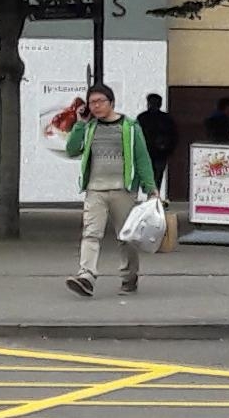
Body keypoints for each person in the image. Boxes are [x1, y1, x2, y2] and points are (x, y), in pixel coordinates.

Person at [50, 83, 156, 298]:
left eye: (100, 101)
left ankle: (129, 277)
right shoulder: (89, 127)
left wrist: (151, 189)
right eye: (92, 103)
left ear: (112, 103)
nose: (96, 106)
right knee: (90, 233)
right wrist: (79, 124)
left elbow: (142, 158)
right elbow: (71, 150)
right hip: (94, 190)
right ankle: (86, 276)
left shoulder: (130, 126)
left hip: (123, 190)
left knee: (126, 237)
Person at [135, 91, 183, 247]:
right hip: (160, 154)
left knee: (144, 176)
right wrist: (168, 150)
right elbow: (174, 137)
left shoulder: (142, 118)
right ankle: (152, 200)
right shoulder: (166, 119)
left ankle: (149, 200)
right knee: (156, 177)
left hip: (147, 154)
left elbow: (135, 137)